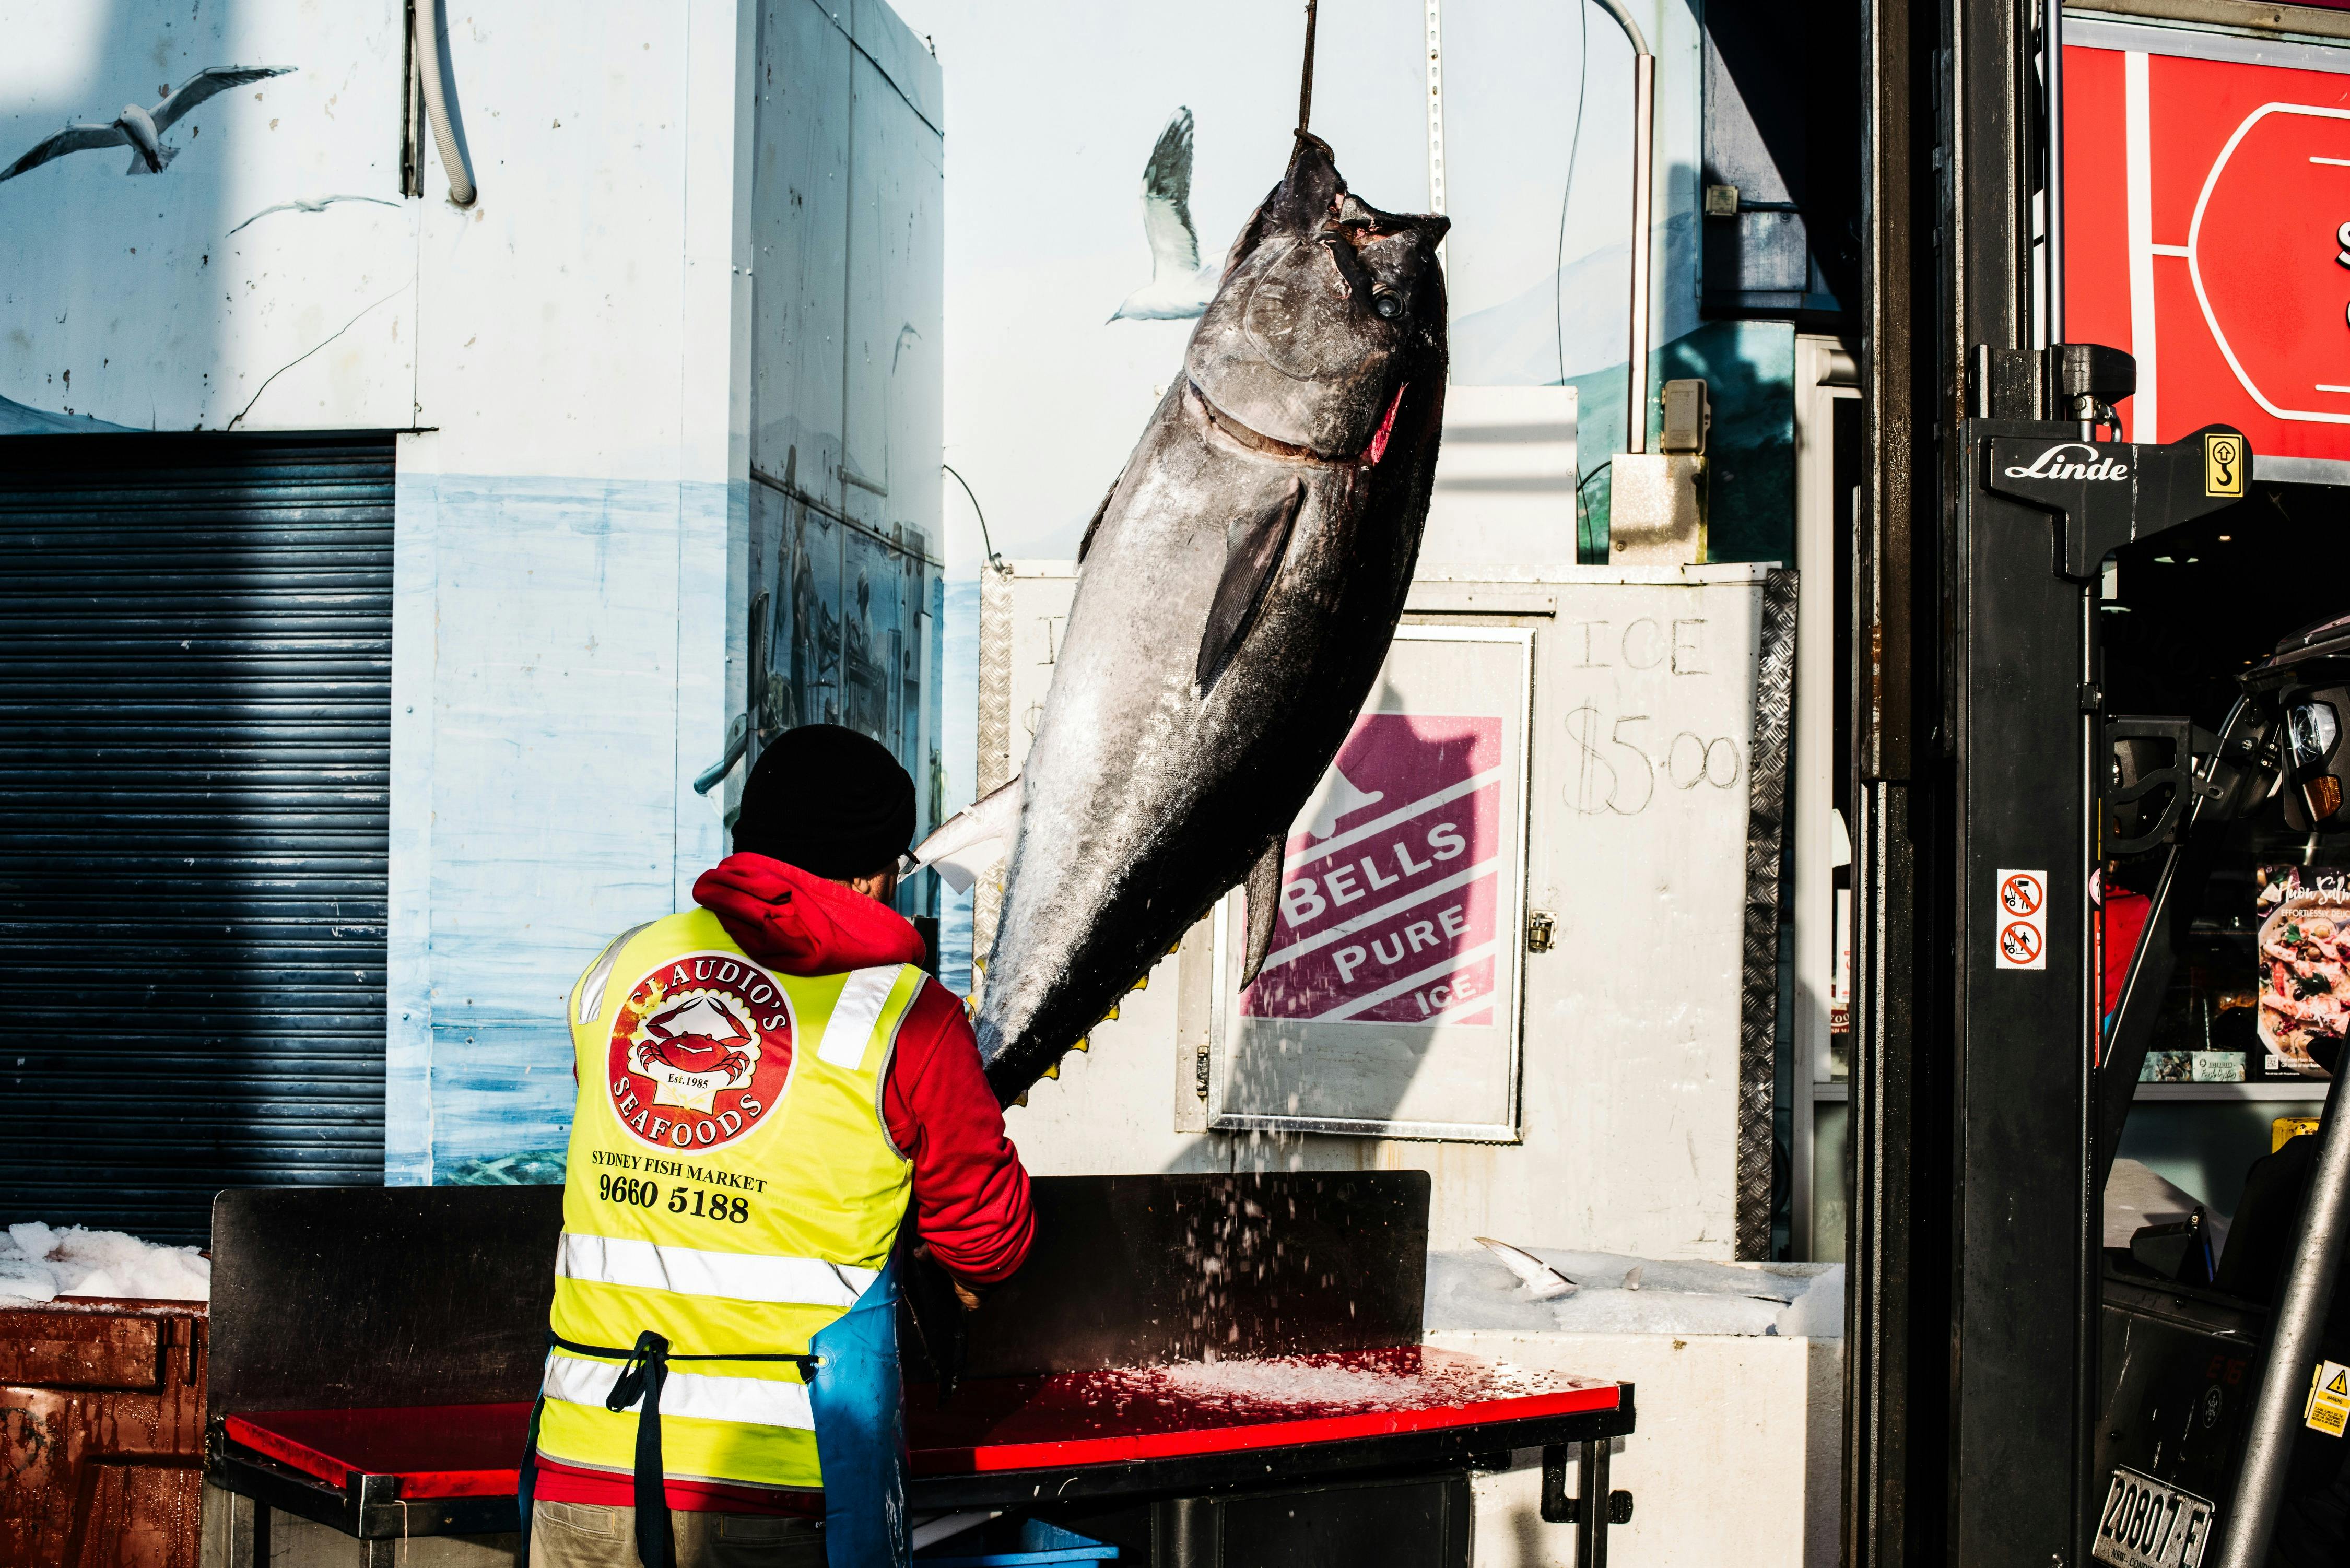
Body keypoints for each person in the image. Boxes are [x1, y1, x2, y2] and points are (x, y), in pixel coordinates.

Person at [521, 725, 1034, 1568]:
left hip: (585, 1469)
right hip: (785, 1487)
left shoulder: (617, 973)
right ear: (873, 874)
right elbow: (987, 1242)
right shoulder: (912, 1020)